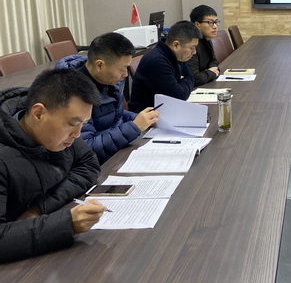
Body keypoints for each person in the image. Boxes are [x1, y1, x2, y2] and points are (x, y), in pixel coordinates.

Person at [0, 69, 107, 262]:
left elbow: (89, 164)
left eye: (83, 124)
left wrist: (39, 208)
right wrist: (67, 223)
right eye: (72, 124)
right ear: (38, 113)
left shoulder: (59, 134)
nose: (77, 134)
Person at [55, 32, 160, 163]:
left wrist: (142, 119)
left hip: (117, 151)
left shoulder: (109, 81)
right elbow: (88, 148)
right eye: (123, 69)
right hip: (98, 164)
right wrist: (134, 127)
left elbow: (114, 114)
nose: (126, 75)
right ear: (99, 65)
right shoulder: (73, 95)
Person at [128, 20, 201, 112]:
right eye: (192, 48)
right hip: (146, 116)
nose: (194, 52)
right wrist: (185, 81)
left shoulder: (177, 55)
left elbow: (191, 77)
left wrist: (183, 82)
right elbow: (178, 96)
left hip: (166, 110)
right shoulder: (157, 61)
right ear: (176, 45)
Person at [187, 4, 221, 86]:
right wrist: (212, 73)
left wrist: (212, 70)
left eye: (216, 22)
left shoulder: (206, 39)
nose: (215, 26)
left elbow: (214, 61)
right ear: (197, 24)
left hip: (205, 83)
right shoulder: (191, 45)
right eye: (210, 22)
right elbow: (194, 78)